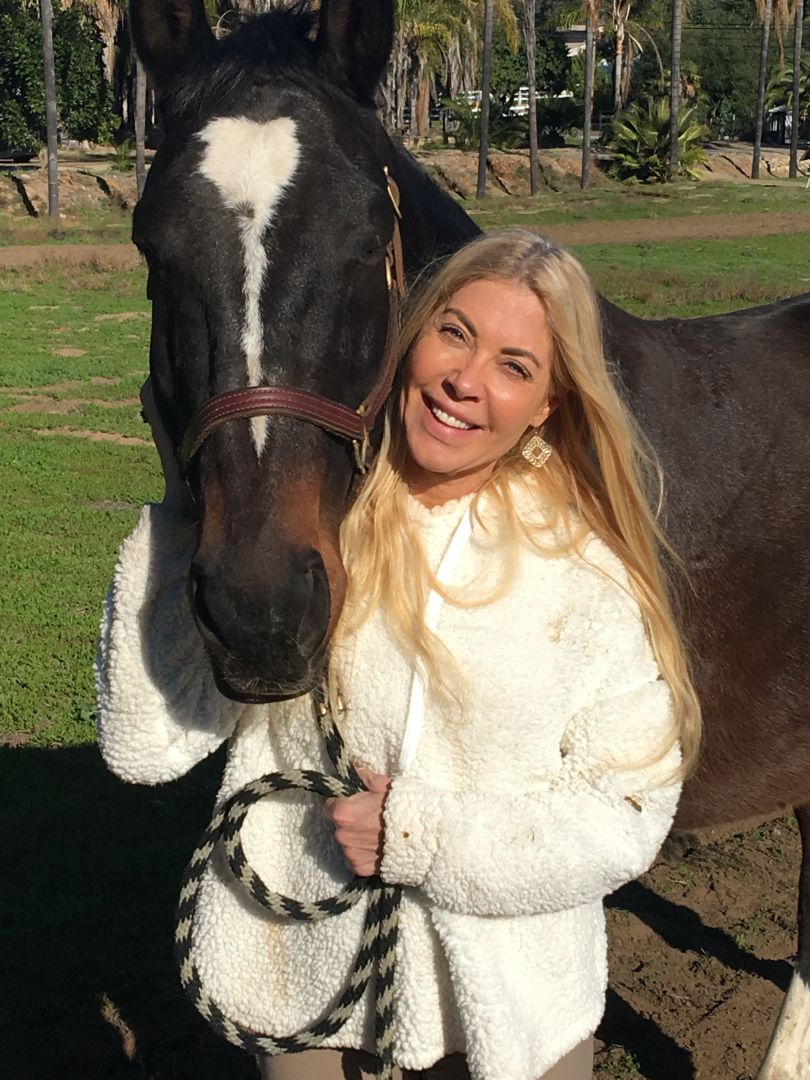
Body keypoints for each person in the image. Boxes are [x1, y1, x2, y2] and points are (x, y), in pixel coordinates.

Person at [96, 228, 701, 1080]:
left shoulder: (587, 579)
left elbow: (625, 815)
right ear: (408, 338)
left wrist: (421, 838)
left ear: (548, 404)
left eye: (514, 366)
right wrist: (180, 516)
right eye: (454, 332)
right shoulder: (314, 532)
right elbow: (146, 742)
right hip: (312, 991)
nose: (465, 379)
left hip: (504, 1017)